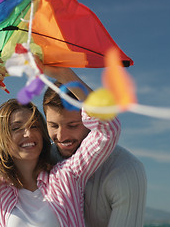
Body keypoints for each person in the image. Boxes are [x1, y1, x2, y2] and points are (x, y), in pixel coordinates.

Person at [0, 56, 121, 227]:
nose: (28, 133)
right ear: (2, 138)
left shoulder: (67, 176)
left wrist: (66, 76)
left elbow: (108, 129)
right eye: (16, 128)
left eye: (34, 126)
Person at [41, 67, 147, 227]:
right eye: (53, 125)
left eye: (72, 125)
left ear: (90, 120)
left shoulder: (126, 170)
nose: (61, 137)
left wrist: (65, 75)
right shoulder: (42, 159)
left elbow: (108, 123)